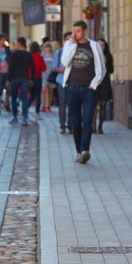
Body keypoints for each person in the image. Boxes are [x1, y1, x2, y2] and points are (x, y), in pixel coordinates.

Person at [62, 21, 105, 164]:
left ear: (85, 31)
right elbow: (65, 63)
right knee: (75, 122)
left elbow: (102, 69)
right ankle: (79, 151)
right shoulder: (68, 44)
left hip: (88, 90)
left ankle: (85, 150)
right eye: (74, 31)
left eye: (78, 31)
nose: (75, 34)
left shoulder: (94, 46)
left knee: (87, 120)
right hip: (72, 88)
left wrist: (94, 85)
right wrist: (74, 45)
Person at [6, 38, 35, 126]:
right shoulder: (28, 54)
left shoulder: (14, 54)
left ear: (19, 43)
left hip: (15, 78)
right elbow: (32, 68)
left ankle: (15, 116)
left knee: (14, 98)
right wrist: (32, 79)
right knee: (25, 98)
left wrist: (8, 79)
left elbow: (10, 67)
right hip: (25, 78)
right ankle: (24, 118)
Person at [94, 38, 114, 134]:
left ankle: (100, 126)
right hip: (94, 81)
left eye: (102, 45)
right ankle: (92, 126)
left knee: (103, 104)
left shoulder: (108, 56)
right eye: (99, 45)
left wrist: (105, 62)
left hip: (105, 82)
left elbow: (111, 70)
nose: (101, 47)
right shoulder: (92, 56)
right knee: (93, 105)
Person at [52, 33, 71, 134]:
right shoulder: (59, 52)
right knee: (62, 103)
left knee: (72, 104)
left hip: (73, 81)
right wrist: (62, 69)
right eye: (68, 39)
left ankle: (71, 125)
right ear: (64, 40)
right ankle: (62, 125)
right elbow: (54, 67)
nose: (70, 41)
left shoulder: (76, 51)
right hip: (61, 80)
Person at [0, 33, 11, 114]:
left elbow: (10, 60)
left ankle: (6, 103)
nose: (4, 41)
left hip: (7, 72)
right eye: (3, 40)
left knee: (8, 89)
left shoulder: (7, 49)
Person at [29, 41, 47, 115]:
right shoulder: (40, 57)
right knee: (37, 95)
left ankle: (26, 107)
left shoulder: (28, 56)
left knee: (30, 94)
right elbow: (44, 68)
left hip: (29, 77)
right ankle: (37, 111)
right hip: (37, 77)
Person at [40, 42, 55, 113]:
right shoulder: (42, 55)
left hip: (51, 74)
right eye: (46, 47)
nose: (48, 48)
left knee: (50, 91)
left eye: (49, 47)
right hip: (44, 74)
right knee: (43, 90)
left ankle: (48, 106)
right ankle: (43, 105)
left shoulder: (53, 55)